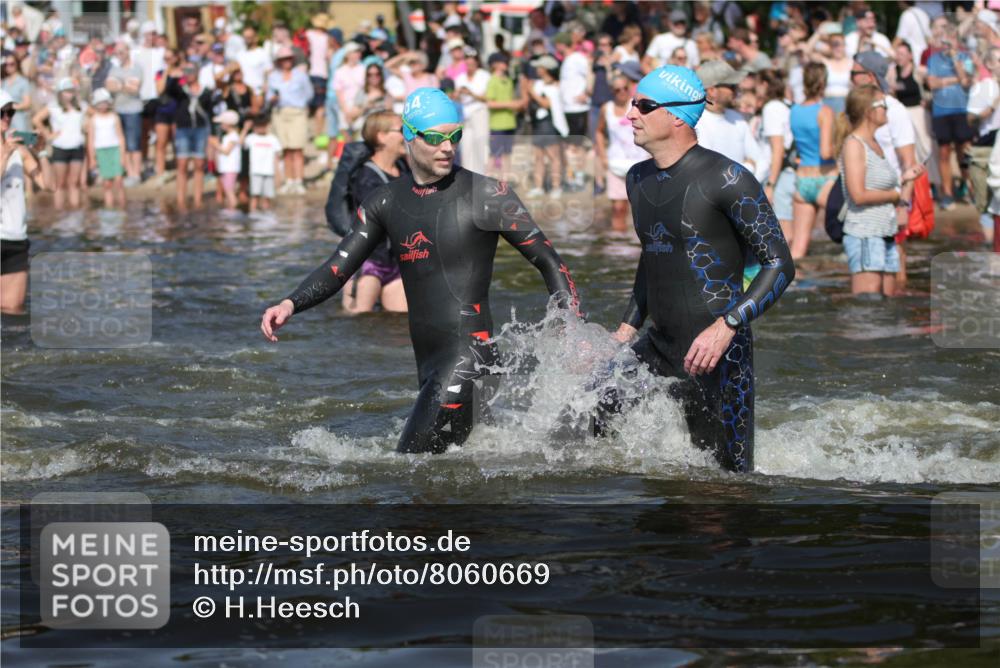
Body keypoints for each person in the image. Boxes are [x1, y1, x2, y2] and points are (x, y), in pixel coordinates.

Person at [261, 88, 580, 454]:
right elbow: (338, 266)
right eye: (435, 138)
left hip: (470, 359)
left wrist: (571, 329)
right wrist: (290, 304)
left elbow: (549, 261)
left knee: (408, 469)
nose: (447, 147)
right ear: (409, 137)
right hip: (430, 363)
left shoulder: (488, 194)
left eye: (454, 136)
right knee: (443, 483)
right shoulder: (385, 200)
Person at [600, 66, 794, 473]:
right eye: (633, 103)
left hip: (718, 354)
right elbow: (654, 254)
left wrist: (728, 325)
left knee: (724, 483)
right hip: (660, 344)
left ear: (677, 117)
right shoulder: (637, 178)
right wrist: (625, 330)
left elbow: (780, 264)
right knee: (591, 415)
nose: (630, 113)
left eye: (644, 105)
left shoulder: (727, 178)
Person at [836, 85, 923, 296]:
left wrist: (904, 180)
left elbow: (876, 185)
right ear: (868, 111)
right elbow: (858, 194)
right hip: (865, 233)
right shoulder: (854, 144)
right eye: (883, 105)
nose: (886, 110)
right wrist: (895, 195)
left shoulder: (874, 143)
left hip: (885, 230)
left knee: (888, 303)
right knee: (868, 307)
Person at [340, 111, 408, 315]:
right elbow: (383, 217)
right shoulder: (366, 176)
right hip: (366, 263)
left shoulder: (404, 170)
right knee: (357, 321)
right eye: (402, 130)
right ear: (381, 136)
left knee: (401, 323)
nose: (407, 136)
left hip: (396, 263)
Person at [1, 90, 48, 314]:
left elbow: (49, 185)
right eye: (2, 113)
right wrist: (4, 156)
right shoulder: (10, 152)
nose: (7, 118)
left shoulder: (19, 150)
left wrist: (43, 152)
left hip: (16, 237)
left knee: (13, 309)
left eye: (10, 112)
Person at [789, 62, 837, 259]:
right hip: (825, 179)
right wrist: (844, 146)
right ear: (823, 83)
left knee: (798, 251)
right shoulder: (825, 111)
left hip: (802, 182)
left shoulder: (794, 111)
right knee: (855, 232)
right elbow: (826, 152)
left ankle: (791, 286)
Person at [927, 16, 975, 210]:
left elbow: (966, 81)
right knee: (944, 153)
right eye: (944, 39)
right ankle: (948, 193)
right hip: (941, 112)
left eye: (951, 39)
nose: (947, 43)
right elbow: (932, 84)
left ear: (956, 39)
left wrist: (955, 61)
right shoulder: (933, 59)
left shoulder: (965, 57)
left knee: (966, 152)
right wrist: (952, 80)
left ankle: (971, 187)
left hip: (961, 110)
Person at [596, 72, 649, 231]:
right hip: (615, 162)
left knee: (640, 209)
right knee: (618, 209)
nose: (622, 92)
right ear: (612, 91)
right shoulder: (607, 108)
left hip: (640, 162)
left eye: (625, 88)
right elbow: (599, 131)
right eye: (617, 89)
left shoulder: (638, 106)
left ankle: (637, 243)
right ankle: (618, 248)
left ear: (630, 88)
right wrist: (603, 156)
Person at [694, 60, 764, 175]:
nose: (737, 90)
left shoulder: (738, 119)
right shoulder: (697, 123)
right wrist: (749, 167)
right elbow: (711, 172)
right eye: (732, 86)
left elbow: (760, 160)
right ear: (712, 91)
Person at [165, 60, 215, 208]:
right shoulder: (181, 90)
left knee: (199, 164)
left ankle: (198, 199)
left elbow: (210, 113)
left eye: (191, 71)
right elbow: (168, 90)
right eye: (187, 72)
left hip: (200, 129)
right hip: (183, 129)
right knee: (182, 164)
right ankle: (181, 199)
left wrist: (211, 134)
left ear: (197, 73)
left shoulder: (205, 91)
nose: (189, 75)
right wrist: (176, 75)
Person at [33, 77, 85, 208]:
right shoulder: (53, 106)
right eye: (66, 91)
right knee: (60, 183)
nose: (69, 94)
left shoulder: (81, 105)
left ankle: (75, 212)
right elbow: (36, 119)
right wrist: (48, 135)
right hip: (60, 146)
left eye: (71, 91)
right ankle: (59, 212)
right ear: (60, 93)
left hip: (77, 146)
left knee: (74, 182)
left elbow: (95, 114)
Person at [267, 47, 311, 195]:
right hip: (280, 113)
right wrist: (273, 99)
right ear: (279, 61)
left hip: (297, 113)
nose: (287, 61)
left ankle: (299, 180)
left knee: (297, 148)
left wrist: (299, 103)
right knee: (285, 149)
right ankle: (289, 180)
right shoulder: (273, 76)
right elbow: (269, 96)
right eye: (284, 59)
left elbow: (309, 93)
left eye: (289, 58)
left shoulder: (301, 75)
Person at [526, 55, 568, 198]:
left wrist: (532, 92)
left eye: (539, 67)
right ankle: (539, 187)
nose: (537, 69)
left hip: (549, 124)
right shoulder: (538, 84)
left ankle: (556, 186)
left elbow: (547, 104)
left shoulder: (554, 86)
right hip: (538, 124)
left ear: (546, 69)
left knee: (553, 156)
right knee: (538, 156)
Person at [105, 41, 144, 185]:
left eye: (121, 52)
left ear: (128, 51)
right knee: (124, 143)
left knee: (134, 143)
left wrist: (118, 84)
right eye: (117, 53)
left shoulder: (136, 68)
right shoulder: (114, 69)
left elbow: (134, 88)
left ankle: (137, 174)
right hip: (118, 109)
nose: (119, 55)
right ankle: (130, 172)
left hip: (133, 109)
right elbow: (109, 85)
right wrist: (124, 84)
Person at [86, 88, 126, 208]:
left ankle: (122, 208)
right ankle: (109, 208)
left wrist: (123, 156)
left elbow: (121, 137)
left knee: (119, 181)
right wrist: (92, 158)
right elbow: (91, 140)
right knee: (107, 183)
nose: (102, 105)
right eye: (100, 103)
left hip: (115, 150)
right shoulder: (93, 120)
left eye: (104, 102)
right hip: (101, 151)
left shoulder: (114, 117)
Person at [455, 47, 491, 174]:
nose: (470, 66)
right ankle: (468, 176)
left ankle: (482, 174)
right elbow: (457, 98)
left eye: (472, 63)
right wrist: (458, 93)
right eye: (468, 63)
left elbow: (487, 97)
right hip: (465, 115)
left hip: (479, 112)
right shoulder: (460, 78)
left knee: (481, 144)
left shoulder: (484, 75)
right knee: (466, 146)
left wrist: (471, 93)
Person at [485, 52, 520, 177]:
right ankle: (486, 181)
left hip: (510, 123)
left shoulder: (508, 80)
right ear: (495, 64)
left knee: (507, 154)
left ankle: (504, 183)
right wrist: (510, 104)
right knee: (494, 154)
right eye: (503, 62)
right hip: (497, 125)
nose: (506, 64)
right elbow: (490, 103)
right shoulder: (492, 81)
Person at [153, 48, 183, 181]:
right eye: (165, 58)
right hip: (163, 111)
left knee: (178, 142)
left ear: (176, 58)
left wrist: (180, 73)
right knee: (161, 142)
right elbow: (159, 90)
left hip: (179, 111)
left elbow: (186, 89)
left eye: (170, 58)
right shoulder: (160, 73)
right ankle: (161, 171)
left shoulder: (183, 72)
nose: (168, 61)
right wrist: (167, 72)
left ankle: (180, 170)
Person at [246, 114, 281, 212]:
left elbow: (277, 157)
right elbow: (240, 143)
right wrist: (245, 128)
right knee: (255, 196)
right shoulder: (251, 138)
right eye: (258, 126)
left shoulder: (273, 139)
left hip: (269, 172)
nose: (261, 128)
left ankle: (266, 218)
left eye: (263, 125)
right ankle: (253, 215)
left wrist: (278, 173)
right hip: (255, 172)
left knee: (267, 197)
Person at [210, 109, 241, 210]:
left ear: (228, 124)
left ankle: (233, 210)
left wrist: (215, 144)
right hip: (226, 168)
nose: (221, 125)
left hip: (230, 168)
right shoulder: (228, 136)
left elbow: (226, 151)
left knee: (229, 191)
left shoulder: (233, 136)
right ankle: (230, 209)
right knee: (227, 191)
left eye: (222, 123)